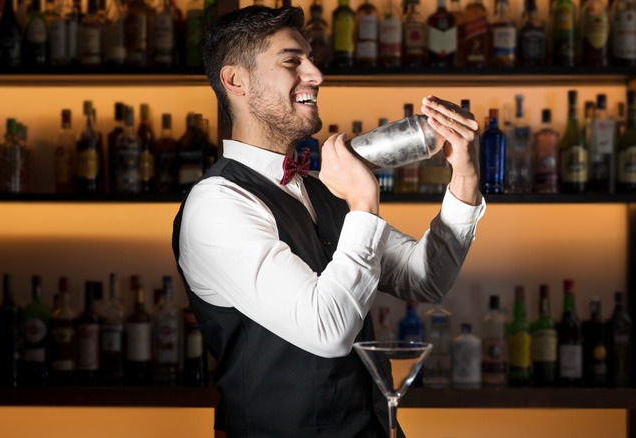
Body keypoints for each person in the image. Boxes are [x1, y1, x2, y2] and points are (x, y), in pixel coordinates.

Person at [171, 5, 486, 437]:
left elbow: (425, 279)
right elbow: (328, 329)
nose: (316, 74)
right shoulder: (217, 203)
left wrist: (464, 178)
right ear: (236, 81)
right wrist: (362, 200)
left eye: (312, 59)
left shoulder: (318, 187)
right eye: (292, 62)